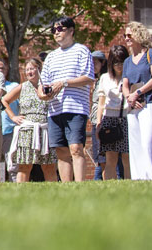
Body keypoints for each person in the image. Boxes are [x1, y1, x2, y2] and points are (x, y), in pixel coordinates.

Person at [37, 16, 95, 182]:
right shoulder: (51, 57)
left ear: (71, 31)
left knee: (76, 148)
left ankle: (80, 185)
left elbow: (89, 78)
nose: (56, 33)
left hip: (76, 107)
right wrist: (43, 93)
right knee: (61, 151)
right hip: (55, 109)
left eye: (60, 29)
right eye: (53, 30)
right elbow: (44, 84)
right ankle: (67, 187)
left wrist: (64, 83)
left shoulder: (82, 50)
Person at [121, 22, 152, 180]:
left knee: (148, 143)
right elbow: (125, 84)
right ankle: (138, 178)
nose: (127, 38)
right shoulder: (127, 61)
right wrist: (129, 97)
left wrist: (137, 93)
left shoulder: (151, 54)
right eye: (125, 35)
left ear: (138, 35)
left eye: (129, 35)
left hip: (150, 103)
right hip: (133, 106)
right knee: (136, 144)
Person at [2, 58, 57, 182]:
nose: (29, 72)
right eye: (27, 70)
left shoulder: (47, 86)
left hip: (45, 130)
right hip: (27, 131)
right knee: (24, 165)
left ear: (39, 69)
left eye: (32, 69)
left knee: (49, 166)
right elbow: (3, 101)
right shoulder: (22, 87)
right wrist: (12, 117)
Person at [94, 45, 129, 180]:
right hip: (109, 118)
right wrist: (99, 124)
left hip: (126, 117)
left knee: (127, 157)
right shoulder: (105, 78)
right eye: (115, 62)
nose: (118, 66)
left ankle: (129, 186)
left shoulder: (129, 76)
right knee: (110, 158)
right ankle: (110, 185)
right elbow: (101, 103)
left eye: (121, 62)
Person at [0, 59, 20, 182]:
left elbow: (23, 105)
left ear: (6, 71)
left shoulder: (13, 87)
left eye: (1, 68)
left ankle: (15, 187)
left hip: (9, 131)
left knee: (12, 164)